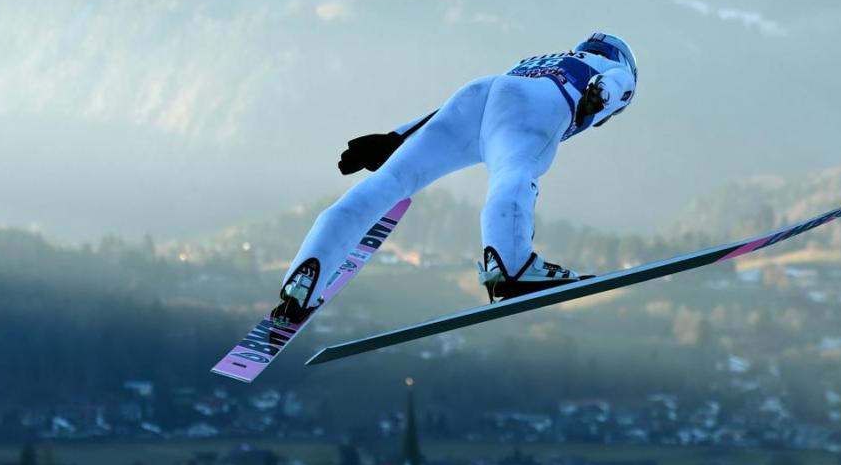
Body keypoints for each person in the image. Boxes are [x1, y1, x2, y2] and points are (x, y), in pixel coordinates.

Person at [272, 33, 637, 320]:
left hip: (480, 93)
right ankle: (513, 266)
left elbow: (472, 104)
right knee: (515, 169)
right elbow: (619, 83)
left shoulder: (547, 58)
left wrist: (395, 138)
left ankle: (305, 277)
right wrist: (600, 96)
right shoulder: (604, 67)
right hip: (540, 103)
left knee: (390, 180)